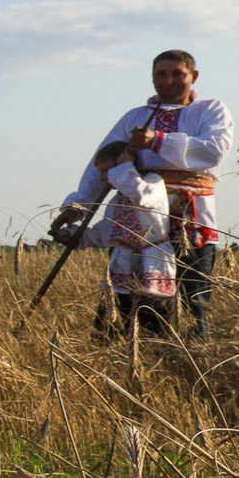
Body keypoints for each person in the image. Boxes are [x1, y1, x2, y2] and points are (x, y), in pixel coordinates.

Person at [50, 50, 234, 338]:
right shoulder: (136, 117)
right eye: (161, 75)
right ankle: (121, 358)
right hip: (133, 217)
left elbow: (213, 151)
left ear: (193, 76)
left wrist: (157, 140)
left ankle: (189, 364)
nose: (169, 81)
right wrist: (79, 207)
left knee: (190, 298)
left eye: (177, 74)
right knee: (126, 298)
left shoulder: (210, 111)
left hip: (190, 219)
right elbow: (103, 162)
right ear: (152, 78)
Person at [65, 140, 176, 336]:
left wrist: (124, 167)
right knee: (109, 322)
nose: (102, 177)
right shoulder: (117, 200)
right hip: (123, 264)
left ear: (125, 164)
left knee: (153, 321)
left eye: (106, 170)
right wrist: (74, 236)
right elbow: (104, 233)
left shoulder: (153, 183)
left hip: (152, 263)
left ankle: (157, 354)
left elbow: (141, 195)